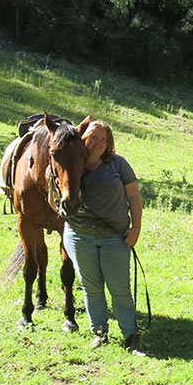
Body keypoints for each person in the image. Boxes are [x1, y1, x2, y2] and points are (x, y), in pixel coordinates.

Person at [61, 121, 145, 355]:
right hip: (79, 236)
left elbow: (134, 198)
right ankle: (99, 331)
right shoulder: (71, 163)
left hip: (114, 237)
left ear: (109, 143)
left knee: (120, 288)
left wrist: (136, 227)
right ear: (82, 138)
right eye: (93, 137)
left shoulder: (118, 164)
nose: (97, 143)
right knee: (91, 287)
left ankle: (130, 335)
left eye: (103, 139)